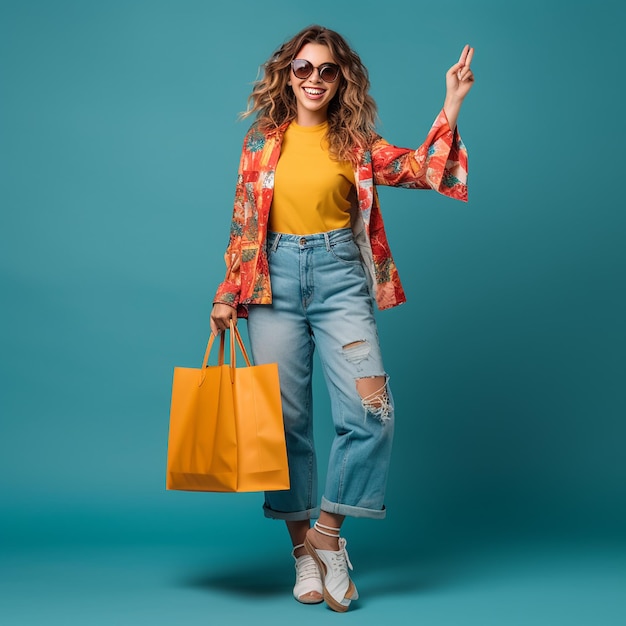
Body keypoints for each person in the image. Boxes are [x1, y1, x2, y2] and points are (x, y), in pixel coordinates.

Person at [210, 24, 474, 612]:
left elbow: (427, 170)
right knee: (284, 424)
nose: (313, 79)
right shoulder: (260, 144)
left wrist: (452, 101)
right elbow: (242, 224)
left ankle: (327, 534)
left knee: (371, 412)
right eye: (303, 68)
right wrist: (227, 292)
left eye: (326, 70)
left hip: (340, 279)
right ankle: (302, 553)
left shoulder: (354, 144)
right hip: (271, 282)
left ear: (341, 79)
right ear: (288, 74)